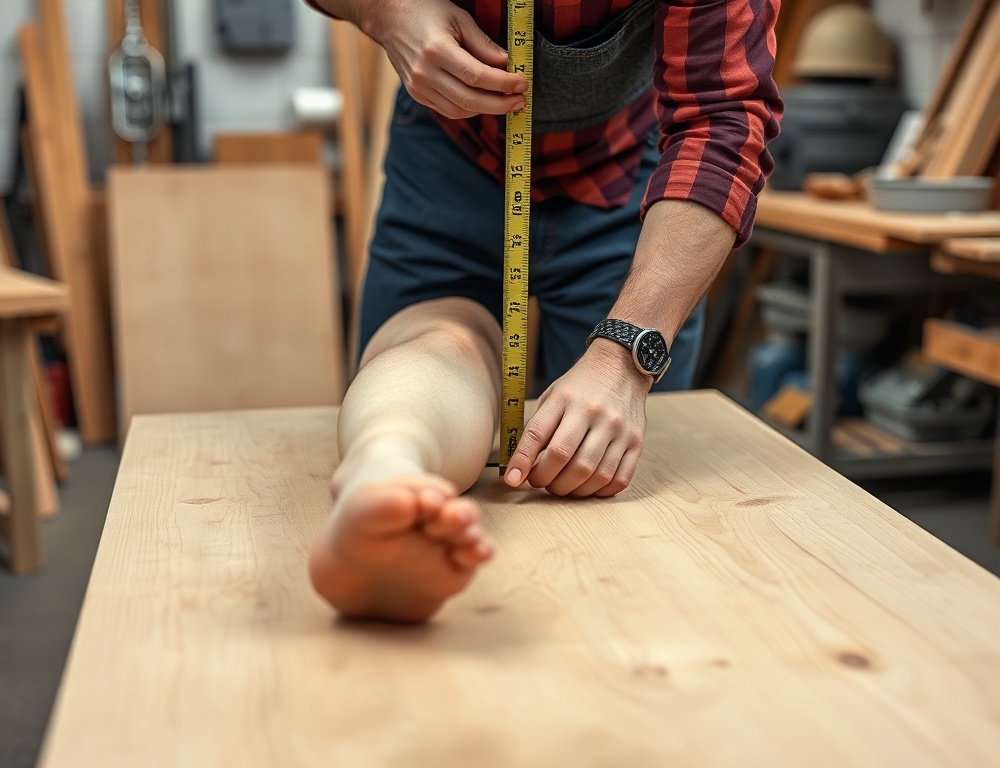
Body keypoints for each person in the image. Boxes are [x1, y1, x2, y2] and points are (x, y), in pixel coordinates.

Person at [303, 0, 782, 622]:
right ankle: (386, 471)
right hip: (452, 146)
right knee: (440, 340)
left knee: (591, 460)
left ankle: (385, 474)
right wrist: (383, 10)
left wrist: (624, 360)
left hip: (631, 172)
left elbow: (724, 116)